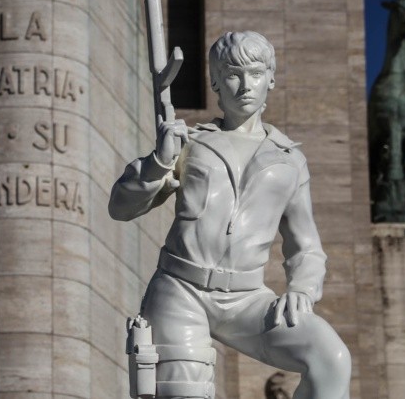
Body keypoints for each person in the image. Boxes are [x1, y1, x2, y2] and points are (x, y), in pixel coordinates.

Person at [109, 32, 351, 399]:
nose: (245, 85)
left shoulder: (289, 160)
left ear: (270, 78)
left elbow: (306, 247)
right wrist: (159, 160)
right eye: (232, 74)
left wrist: (302, 288)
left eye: (255, 74)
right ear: (216, 81)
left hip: (248, 300)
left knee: (331, 358)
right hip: (181, 291)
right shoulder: (191, 143)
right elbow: (121, 207)